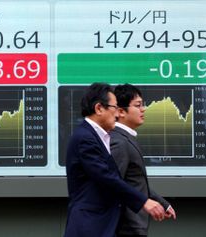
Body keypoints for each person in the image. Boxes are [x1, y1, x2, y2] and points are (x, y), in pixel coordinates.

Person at [64, 83, 166, 237]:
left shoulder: (98, 136)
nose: (117, 114)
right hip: (91, 225)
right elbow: (106, 177)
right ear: (99, 108)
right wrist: (144, 201)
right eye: (114, 108)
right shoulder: (85, 138)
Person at [111, 84, 176, 237]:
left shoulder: (126, 139)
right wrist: (144, 203)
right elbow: (114, 184)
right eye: (138, 105)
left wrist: (162, 203)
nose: (143, 109)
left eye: (143, 105)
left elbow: (135, 183)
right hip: (127, 227)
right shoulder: (119, 142)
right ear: (121, 111)